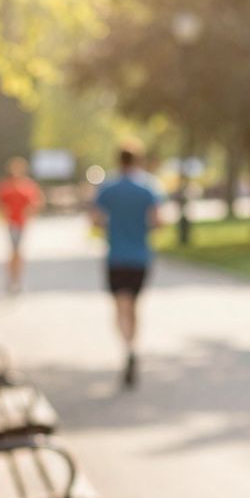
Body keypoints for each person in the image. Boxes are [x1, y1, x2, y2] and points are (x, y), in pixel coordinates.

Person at [91, 141, 163, 389]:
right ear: (138, 160)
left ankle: (127, 347)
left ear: (118, 160)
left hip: (116, 256)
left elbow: (96, 220)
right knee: (134, 305)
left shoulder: (107, 188)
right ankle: (133, 345)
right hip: (140, 256)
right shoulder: (148, 187)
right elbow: (157, 221)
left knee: (120, 305)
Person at [0, 157, 44, 293]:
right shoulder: (6, 186)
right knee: (14, 252)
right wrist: (4, 214)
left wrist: (30, 212)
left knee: (18, 252)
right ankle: (12, 279)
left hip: (22, 223)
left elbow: (36, 202)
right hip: (11, 223)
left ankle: (17, 280)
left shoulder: (28, 185)